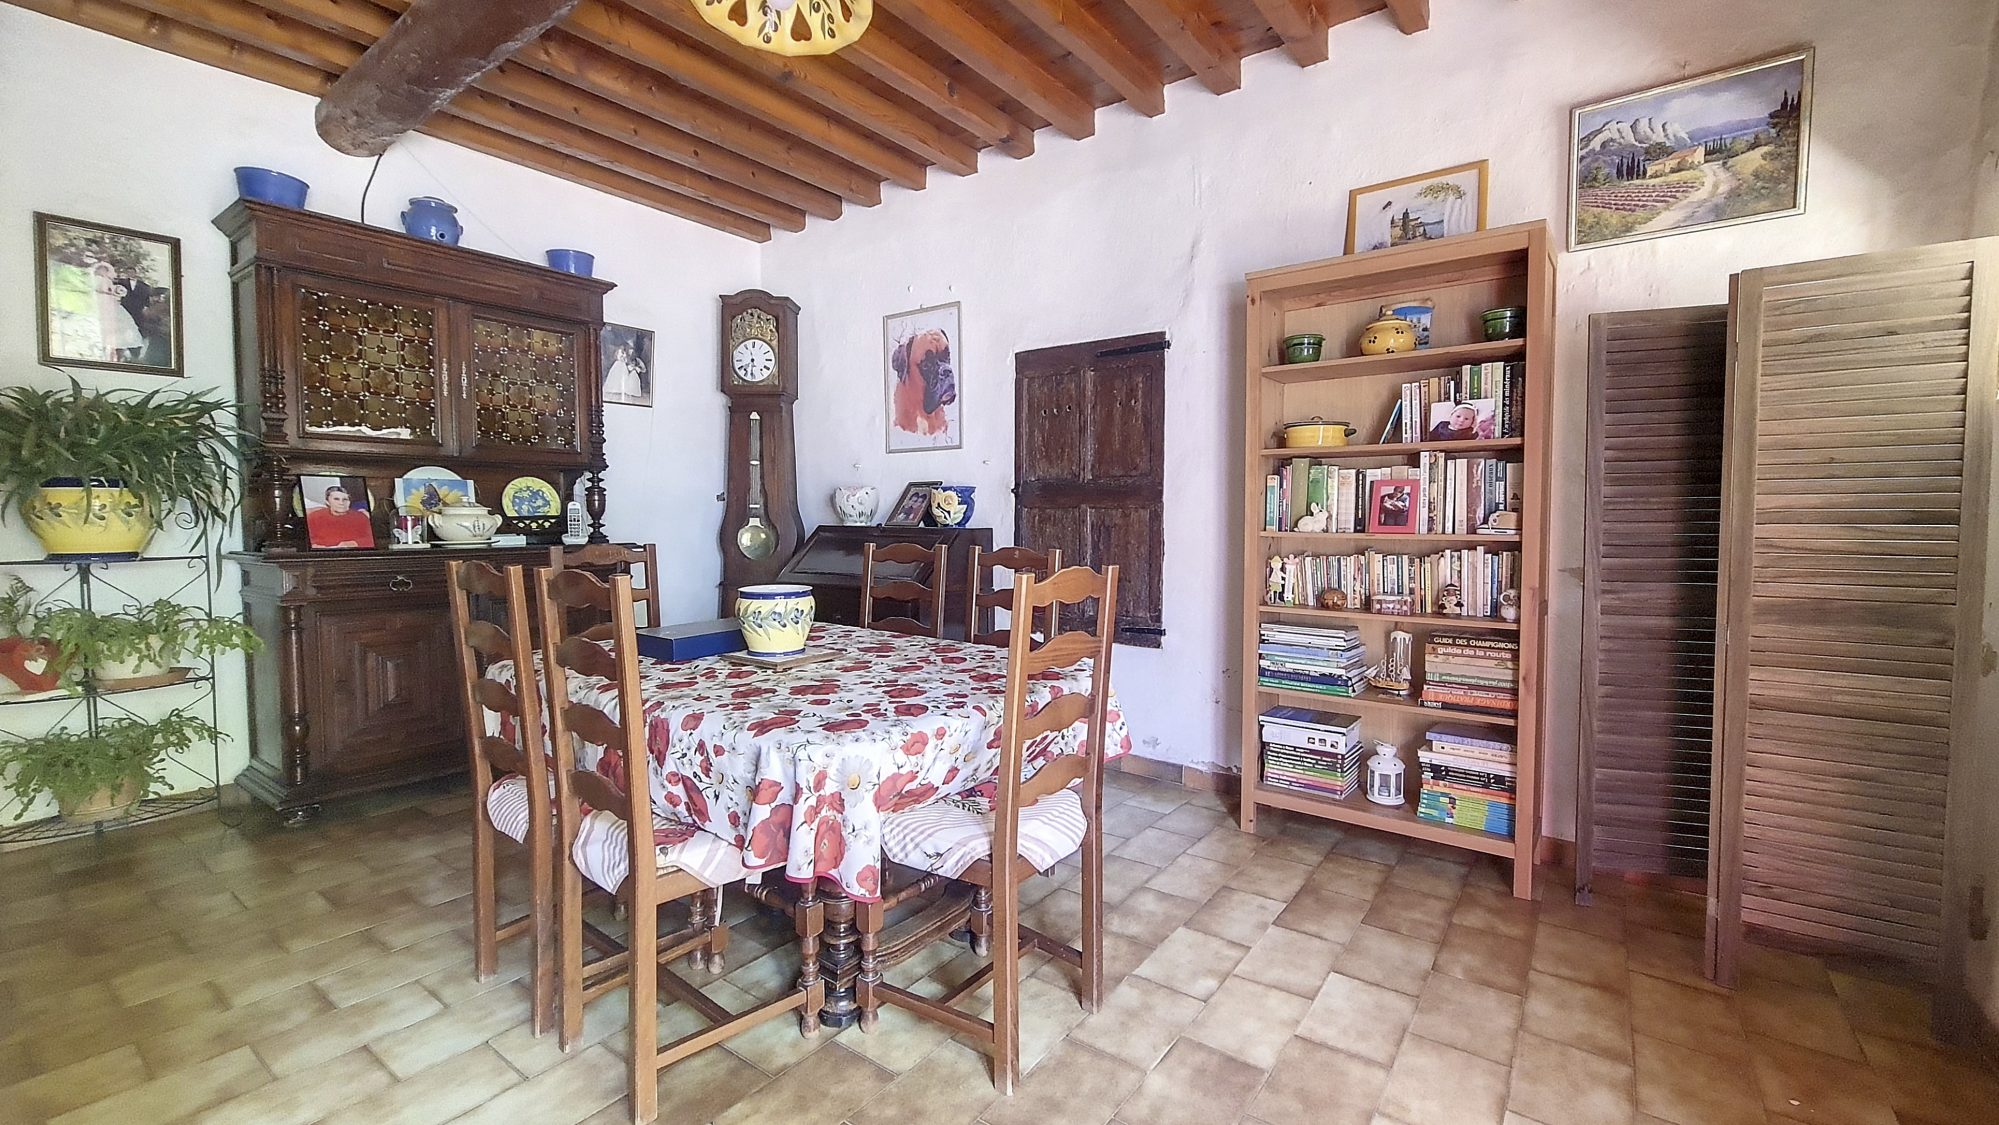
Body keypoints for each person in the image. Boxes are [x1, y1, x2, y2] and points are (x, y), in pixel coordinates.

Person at [91, 260, 144, 361]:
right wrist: (106, 292)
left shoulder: (108, 281)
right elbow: (96, 289)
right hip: (99, 302)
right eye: (100, 270)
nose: (102, 272)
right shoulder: (95, 279)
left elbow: (113, 290)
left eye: (104, 270)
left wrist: (117, 291)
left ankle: (118, 353)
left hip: (110, 303)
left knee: (119, 324)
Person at [307, 483, 374, 548]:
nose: (341, 503)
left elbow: (371, 539)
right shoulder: (314, 517)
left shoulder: (361, 517)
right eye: (336, 499)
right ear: (327, 502)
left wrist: (354, 543)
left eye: (345, 499)